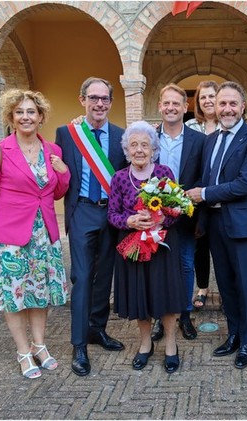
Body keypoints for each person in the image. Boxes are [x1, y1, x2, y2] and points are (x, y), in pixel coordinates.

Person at [0, 89, 70, 379]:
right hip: (9, 238)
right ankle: (22, 351)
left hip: (44, 234)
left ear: (41, 117)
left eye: (31, 112)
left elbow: (57, 192)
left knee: (40, 293)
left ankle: (40, 345)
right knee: (14, 296)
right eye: (20, 112)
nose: (26, 117)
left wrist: (63, 171)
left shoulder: (53, 151)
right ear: (11, 117)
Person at [185, 81, 247, 369]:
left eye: (233, 103)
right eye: (222, 104)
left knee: (245, 285)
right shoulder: (211, 139)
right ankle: (233, 334)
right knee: (226, 284)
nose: (227, 109)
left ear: (243, 106)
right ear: (215, 108)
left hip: (242, 225)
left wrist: (203, 194)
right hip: (216, 223)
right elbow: (205, 179)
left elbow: (245, 184)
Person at [55, 77, 127, 377]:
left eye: (105, 99)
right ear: (82, 99)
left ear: (111, 102)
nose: (99, 104)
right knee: (82, 278)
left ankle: (97, 329)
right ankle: (79, 344)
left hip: (110, 214)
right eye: (93, 98)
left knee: (104, 278)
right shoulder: (67, 134)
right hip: (82, 210)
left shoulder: (121, 136)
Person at [107, 121, 187, 374]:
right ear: (127, 150)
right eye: (134, 145)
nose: (139, 150)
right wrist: (129, 221)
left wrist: (165, 218)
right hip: (133, 247)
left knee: (166, 295)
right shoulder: (119, 177)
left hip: (162, 245)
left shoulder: (165, 173)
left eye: (144, 145)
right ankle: (145, 345)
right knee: (140, 297)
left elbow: (178, 209)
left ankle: (171, 344)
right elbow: (112, 214)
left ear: (153, 149)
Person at [149, 84, 205, 343]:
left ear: (185, 107)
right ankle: (161, 317)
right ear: (160, 106)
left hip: (186, 217)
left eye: (176, 104)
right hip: (155, 216)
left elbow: (204, 178)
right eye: (166, 103)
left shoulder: (199, 141)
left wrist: (200, 218)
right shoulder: (149, 138)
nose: (171, 108)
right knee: (159, 267)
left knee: (185, 265)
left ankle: (184, 315)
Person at [185, 80, 220, 310]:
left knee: (222, 247)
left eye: (211, 96)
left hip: (221, 198)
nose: (207, 101)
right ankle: (203, 288)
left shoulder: (229, 124)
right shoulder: (190, 127)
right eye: (203, 97)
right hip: (196, 196)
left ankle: (227, 290)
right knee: (199, 246)